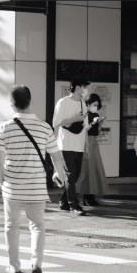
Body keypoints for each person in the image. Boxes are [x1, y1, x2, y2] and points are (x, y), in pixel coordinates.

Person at [0, 84, 67, 273]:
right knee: (38, 226)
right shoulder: (44, 128)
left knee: (11, 226)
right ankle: (36, 264)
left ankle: (14, 265)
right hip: (36, 189)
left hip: (12, 188)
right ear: (30, 102)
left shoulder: (4, 128)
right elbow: (56, 157)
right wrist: (60, 176)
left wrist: (2, 183)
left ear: (12, 105)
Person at [52, 78, 89, 215]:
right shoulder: (63, 102)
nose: (86, 90)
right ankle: (74, 204)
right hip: (65, 143)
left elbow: (84, 126)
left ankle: (63, 201)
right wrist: (74, 119)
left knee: (75, 175)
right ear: (78, 88)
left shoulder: (82, 104)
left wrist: (86, 147)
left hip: (78, 144)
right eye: (84, 87)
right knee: (70, 174)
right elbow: (55, 122)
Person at [76, 92, 109, 206]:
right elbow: (84, 129)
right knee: (88, 169)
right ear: (88, 104)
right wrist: (93, 122)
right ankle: (87, 196)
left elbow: (97, 132)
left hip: (93, 142)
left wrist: (100, 124)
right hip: (86, 142)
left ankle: (90, 196)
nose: (96, 107)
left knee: (94, 169)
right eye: (94, 104)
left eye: (97, 105)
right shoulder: (84, 114)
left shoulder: (96, 114)